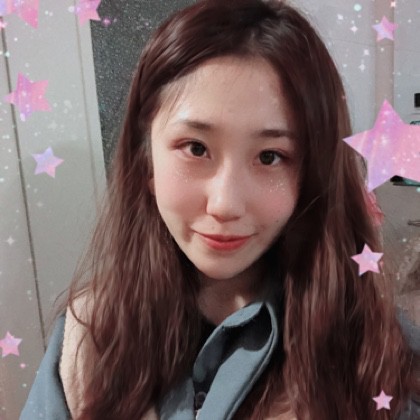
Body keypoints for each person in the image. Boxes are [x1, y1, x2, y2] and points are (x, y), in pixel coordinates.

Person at [21, 0, 420, 419]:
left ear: (311, 174)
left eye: (270, 157)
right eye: (196, 148)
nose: (225, 204)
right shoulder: (88, 340)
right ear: (146, 160)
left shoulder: (378, 356)